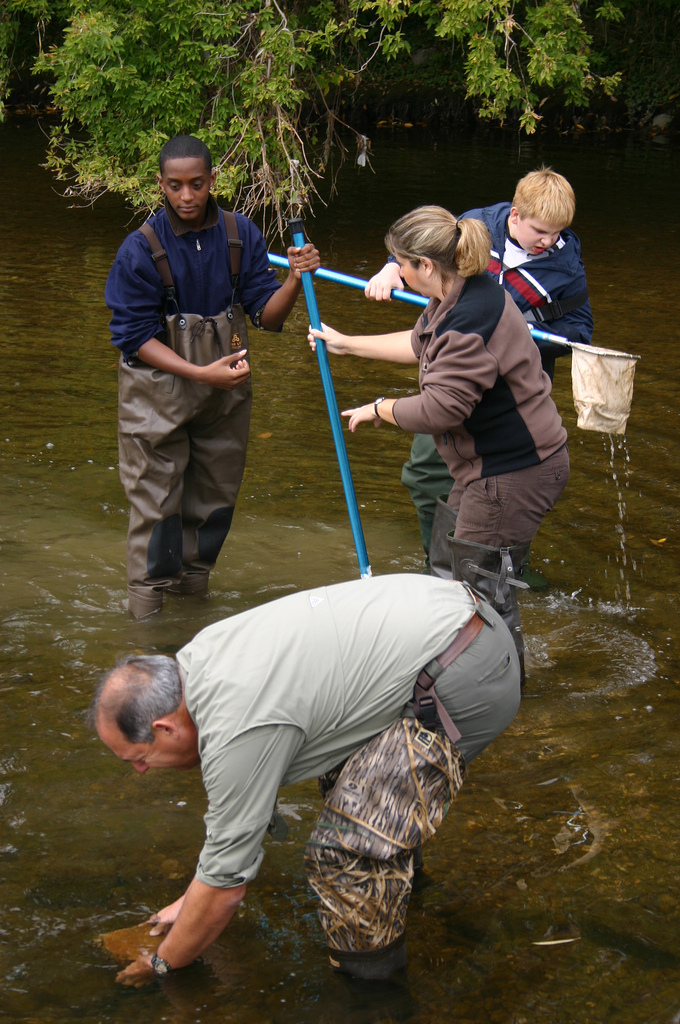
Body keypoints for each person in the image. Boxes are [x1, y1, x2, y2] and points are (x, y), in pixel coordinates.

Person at [91, 573, 521, 983]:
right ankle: (413, 894)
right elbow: (224, 853)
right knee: (345, 788)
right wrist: (190, 903)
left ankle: (374, 991)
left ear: (166, 728)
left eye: (140, 757)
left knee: (344, 856)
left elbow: (226, 887)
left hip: (467, 671)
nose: (141, 771)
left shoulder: (234, 728)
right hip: (457, 615)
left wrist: (163, 964)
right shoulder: (198, 660)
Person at [309, 206, 570, 671]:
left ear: (425, 266)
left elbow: (441, 409)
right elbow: (419, 344)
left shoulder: (467, 320)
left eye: (400, 262)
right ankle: (472, 673)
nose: (397, 270)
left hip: (513, 472)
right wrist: (346, 342)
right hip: (494, 468)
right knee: (454, 565)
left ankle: (499, 689)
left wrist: (380, 409)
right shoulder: (464, 293)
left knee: (481, 592)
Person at [105, 134, 320, 619]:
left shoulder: (241, 234)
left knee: (214, 508)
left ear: (212, 180)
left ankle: (193, 614)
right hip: (156, 397)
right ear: (160, 184)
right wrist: (200, 372)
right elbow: (133, 335)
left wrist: (293, 280)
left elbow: (266, 316)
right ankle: (147, 630)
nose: (186, 196)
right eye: (176, 186)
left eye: (196, 184)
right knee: (158, 513)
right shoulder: (140, 250)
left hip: (225, 397)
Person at [365, 168, 591, 565]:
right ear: (516, 215)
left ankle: (497, 561)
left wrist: (522, 334)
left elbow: (579, 330)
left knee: (500, 507)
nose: (548, 241)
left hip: (512, 391)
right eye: (540, 230)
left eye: (558, 233)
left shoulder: (566, 268)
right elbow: (424, 249)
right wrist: (389, 268)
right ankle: (445, 559)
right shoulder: (476, 229)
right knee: (425, 474)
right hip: (457, 377)